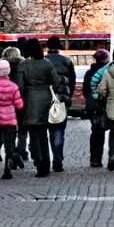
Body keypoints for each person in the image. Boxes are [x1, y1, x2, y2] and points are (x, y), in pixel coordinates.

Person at [17, 38, 60, 177]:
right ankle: (46, 163)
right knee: (43, 134)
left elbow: (20, 86)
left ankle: (39, 162)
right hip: (45, 99)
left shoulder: (23, 65)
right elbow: (56, 81)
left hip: (30, 100)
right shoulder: (47, 63)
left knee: (33, 134)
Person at [45, 36, 74, 172]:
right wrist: (68, 96)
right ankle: (58, 158)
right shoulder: (66, 61)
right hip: (62, 99)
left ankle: (53, 157)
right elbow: (72, 82)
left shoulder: (43, 61)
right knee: (59, 130)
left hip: (46, 99)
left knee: (50, 130)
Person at [0, 60, 24, 179]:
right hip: (10, 120)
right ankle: (7, 169)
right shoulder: (14, 86)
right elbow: (19, 105)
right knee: (9, 145)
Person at [83, 49, 110, 167]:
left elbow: (85, 90)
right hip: (103, 104)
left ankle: (94, 158)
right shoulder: (106, 72)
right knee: (101, 131)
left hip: (91, 105)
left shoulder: (89, 72)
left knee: (95, 131)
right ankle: (98, 158)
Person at [2, 46, 27, 167]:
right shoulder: (24, 65)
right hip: (22, 101)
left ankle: (11, 152)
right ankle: (20, 151)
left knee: (9, 129)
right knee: (22, 128)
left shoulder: (4, 67)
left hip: (6, 103)